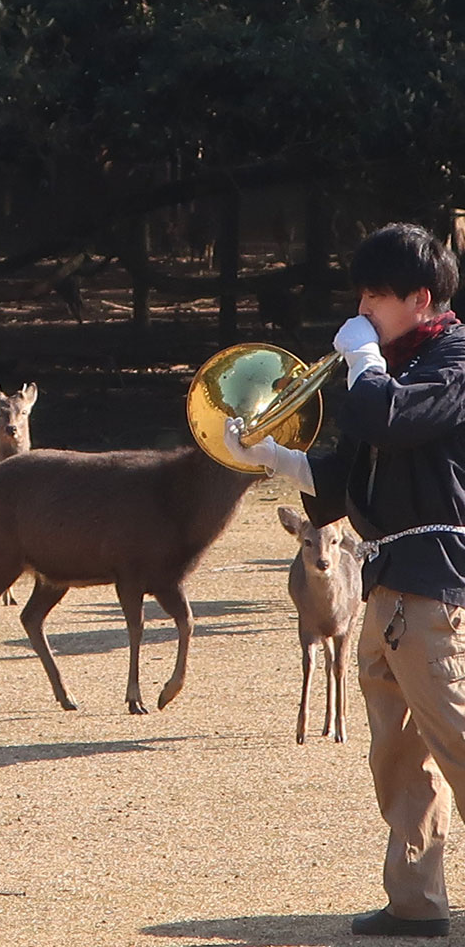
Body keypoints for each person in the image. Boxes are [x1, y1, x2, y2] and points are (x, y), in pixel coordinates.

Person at [225, 222, 465, 938]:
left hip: (436, 580)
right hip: (385, 579)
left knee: (455, 739)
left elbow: (392, 419)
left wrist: (362, 359)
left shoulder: (451, 358)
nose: (362, 307)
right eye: (360, 292)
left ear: (421, 298)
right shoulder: (385, 366)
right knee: (399, 752)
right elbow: (344, 474)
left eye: (377, 295)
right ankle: (415, 903)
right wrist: (269, 453)